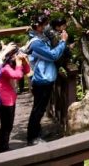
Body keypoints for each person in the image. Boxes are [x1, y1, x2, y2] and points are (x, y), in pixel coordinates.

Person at [25, 15, 67, 145]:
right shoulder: (36, 43)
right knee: (38, 109)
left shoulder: (40, 38)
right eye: (44, 25)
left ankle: (37, 132)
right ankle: (32, 138)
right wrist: (63, 41)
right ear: (37, 26)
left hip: (46, 79)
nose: (46, 27)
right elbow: (52, 55)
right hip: (41, 80)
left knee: (40, 108)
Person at [0, 43, 32, 153]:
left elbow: (27, 72)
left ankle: (4, 146)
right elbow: (17, 75)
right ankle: (3, 148)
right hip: (3, 101)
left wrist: (24, 61)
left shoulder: (12, 64)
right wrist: (18, 63)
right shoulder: (4, 67)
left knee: (9, 125)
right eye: (16, 54)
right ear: (10, 56)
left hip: (10, 99)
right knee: (6, 125)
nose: (18, 56)